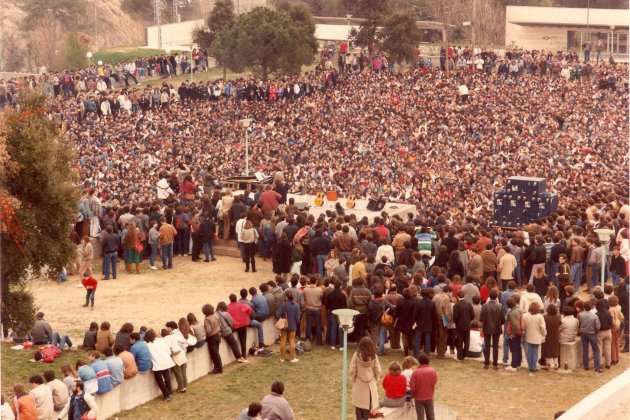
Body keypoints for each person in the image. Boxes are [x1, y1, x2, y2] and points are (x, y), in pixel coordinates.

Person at [349, 336, 381, 420]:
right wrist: (375, 380)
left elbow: (352, 370)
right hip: (370, 384)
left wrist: (353, 380)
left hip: (358, 383)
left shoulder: (356, 355)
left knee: (358, 406)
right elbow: (378, 370)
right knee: (367, 406)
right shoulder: (374, 356)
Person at [144, 329, 174, 401]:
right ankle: (169, 392)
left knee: (159, 380)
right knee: (167, 377)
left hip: (157, 364)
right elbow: (167, 349)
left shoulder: (147, 345)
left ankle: (167, 395)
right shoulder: (160, 341)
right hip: (165, 361)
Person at [409, 354, 437, 420]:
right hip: (429, 397)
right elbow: (435, 381)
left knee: (420, 417)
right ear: (428, 361)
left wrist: (414, 394)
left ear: (419, 362)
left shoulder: (415, 372)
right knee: (431, 416)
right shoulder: (432, 370)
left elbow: (412, 386)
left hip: (418, 398)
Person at [480, 289, 503, 370]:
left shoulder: (485, 306)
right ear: (496, 297)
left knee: (487, 345)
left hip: (487, 327)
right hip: (496, 328)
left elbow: (481, 318)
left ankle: (486, 363)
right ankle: (495, 364)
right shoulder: (499, 306)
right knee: (495, 346)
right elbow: (502, 319)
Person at [276, 290, 301, 362]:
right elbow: (297, 317)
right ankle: (292, 358)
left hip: (284, 325)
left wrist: (281, 320)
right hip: (292, 325)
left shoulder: (283, 305)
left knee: (283, 341)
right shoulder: (296, 305)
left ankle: (282, 358)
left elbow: (278, 314)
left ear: (286, 296)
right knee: (292, 341)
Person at [578, 301, 602, 372]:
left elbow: (579, 324)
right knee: (596, 350)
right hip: (592, 334)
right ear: (591, 307)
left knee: (585, 349)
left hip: (583, 333)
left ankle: (586, 366)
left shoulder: (580, 315)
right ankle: (596, 367)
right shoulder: (594, 316)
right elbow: (598, 327)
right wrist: (595, 332)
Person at [227, 294, 253, 359]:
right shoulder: (240, 304)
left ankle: (239, 356)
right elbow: (249, 309)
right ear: (236, 298)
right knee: (243, 341)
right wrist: (246, 316)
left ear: (230, 299)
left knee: (237, 341)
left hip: (235, 326)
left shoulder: (228, 307)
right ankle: (244, 355)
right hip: (243, 324)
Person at [452, 290, 474, 361]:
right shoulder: (469, 304)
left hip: (459, 325)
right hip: (467, 324)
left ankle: (460, 356)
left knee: (460, 341)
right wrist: (469, 320)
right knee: (467, 340)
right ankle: (465, 353)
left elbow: (455, 316)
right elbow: (472, 315)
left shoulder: (456, 305)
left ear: (457, 296)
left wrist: (456, 322)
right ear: (464, 296)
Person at [505, 298, 524, 372]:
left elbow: (515, 325)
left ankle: (514, 365)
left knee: (514, 349)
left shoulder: (512, 313)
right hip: (520, 332)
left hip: (515, 333)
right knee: (518, 348)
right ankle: (518, 364)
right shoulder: (520, 310)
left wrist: (512, 334)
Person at [542, 304, 561, 371]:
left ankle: (549, 365)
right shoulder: (559, 317)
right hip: (556, 335)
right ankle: (556, 364)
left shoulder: (545, 317)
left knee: (547, 350)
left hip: (547, 335)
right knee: (555, 350)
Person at [595, 299, 613, 370]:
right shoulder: (608, 313)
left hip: (600, 332)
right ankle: (608, 363)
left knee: (599, 348)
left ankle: (600, 364)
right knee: (608, 348)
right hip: (608, 331)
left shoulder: (596, 314)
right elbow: (611, 322)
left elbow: (596, 325)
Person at [609, 295, 624, 365]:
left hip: (614, 327)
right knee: (616, 342)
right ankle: (617, 357)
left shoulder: (610, 309)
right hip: (618, 326)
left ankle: (613, 359)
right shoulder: (617, 308)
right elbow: (622, 317)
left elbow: (612, 319)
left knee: (612, 343)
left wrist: (613, 324)